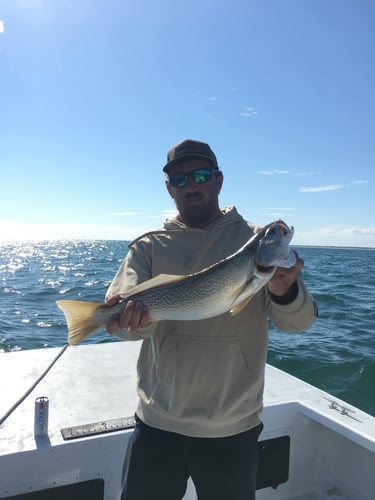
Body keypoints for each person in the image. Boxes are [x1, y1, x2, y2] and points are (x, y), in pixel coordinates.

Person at [105, 139, 317, 500]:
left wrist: (284, 291)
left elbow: (299, 324)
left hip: (232, 426)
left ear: (218, 181)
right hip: (158, 422)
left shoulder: (252, 242)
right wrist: (128, 321)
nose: (191, 185)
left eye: (200, 175)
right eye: (180, 178)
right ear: (169, 187)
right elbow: (124, 330)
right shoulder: (148, 247)